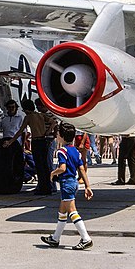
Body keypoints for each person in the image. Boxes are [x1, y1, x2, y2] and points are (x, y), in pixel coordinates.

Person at [41, 122, 94, 250]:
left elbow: (62, 168)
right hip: (74, 182)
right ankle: (55, 238)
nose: (57, 136)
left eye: (58, 134)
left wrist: (53, 173)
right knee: (62, 211)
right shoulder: (75, 151)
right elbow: (81, 169)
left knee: (72, 212)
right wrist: (87, 186)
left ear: (62, 137)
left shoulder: (62, 151)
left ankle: (86, 238)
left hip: (66, 183)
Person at [35, 98, 59, 193]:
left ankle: (52, 184)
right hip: (43, 139)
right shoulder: (40, 115)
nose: (38, 109)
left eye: (39, 107)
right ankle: (42, 184)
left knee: (48, 163)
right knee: (42, 163)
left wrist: (51, 133)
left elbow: (55, 125)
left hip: (49, 139)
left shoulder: (50, 114)